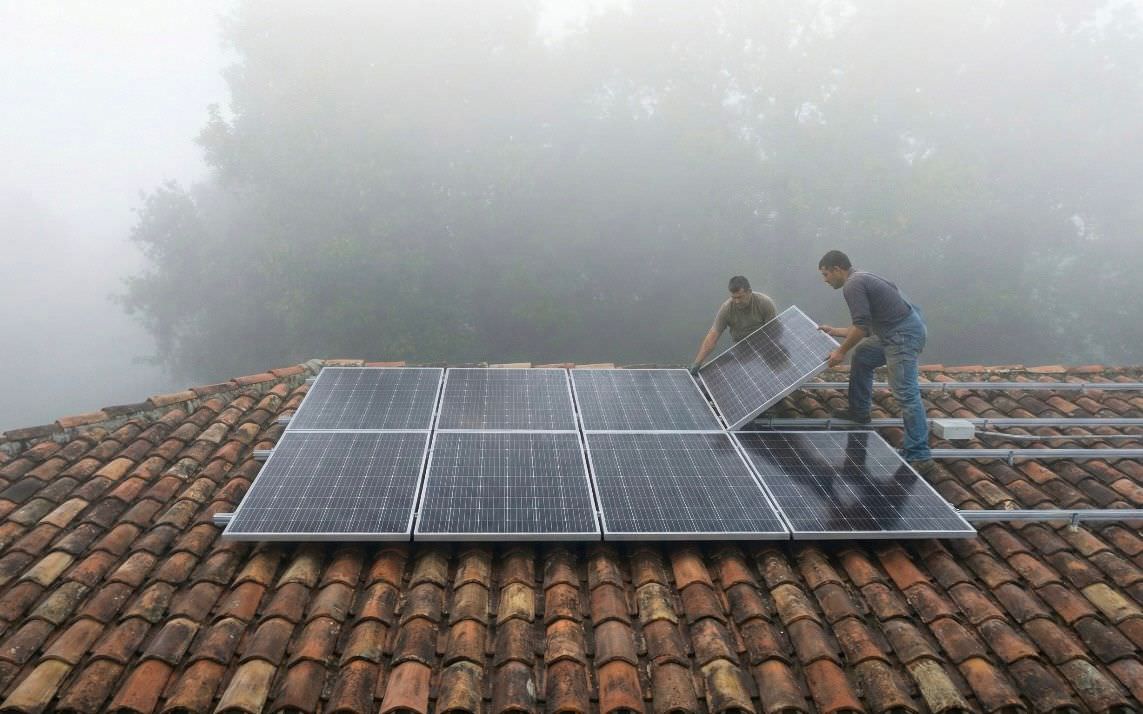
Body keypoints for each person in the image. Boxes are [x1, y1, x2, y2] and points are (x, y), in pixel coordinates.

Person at [815, 250, 936, 475]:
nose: (825, 280)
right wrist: (836, 331)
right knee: (863, 355)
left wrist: (840, 352)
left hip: (902, 336)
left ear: (837, 269)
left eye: (826, 274)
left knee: (905, 393)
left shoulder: (853, 285)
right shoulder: (861, 277)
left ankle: (920, 454)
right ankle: (859, 411)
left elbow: (861, 328)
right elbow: (867, 326)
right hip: (892, 331)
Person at [689, 275, 777, 375]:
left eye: (740, 297)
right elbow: (712, 337)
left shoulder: (765, 303)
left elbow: (773, 331)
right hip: (741, 349)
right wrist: (697, 364)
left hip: (763, 345)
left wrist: (770, 354)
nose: (737, 301)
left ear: (749, 292)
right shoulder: (726, 308)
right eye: (733, 297)